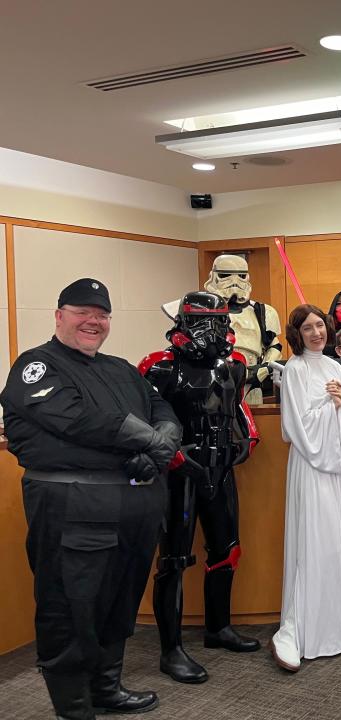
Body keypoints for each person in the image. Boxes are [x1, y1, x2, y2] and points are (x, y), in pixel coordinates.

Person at [0, 278, 181, 719]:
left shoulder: (121, 368)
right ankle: (74, 707)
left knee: (119, 602)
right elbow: (79, 420)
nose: (92, 321)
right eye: (82, 312)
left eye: (101, 315)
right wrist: (148, 447)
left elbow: (162, 410)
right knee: (70, 607)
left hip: (133, 511)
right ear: (59, 315)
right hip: (74, 513)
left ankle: (106, 688)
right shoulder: (36, 366)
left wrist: (162, 443)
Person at [139, 292, 261, 684]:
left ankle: (217, 627)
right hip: (177, 473)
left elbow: (237, 405)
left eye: (222, 322)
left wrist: (250, 436)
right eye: (207, 322)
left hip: (221, 465)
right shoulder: (157, 367)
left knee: (227, 550)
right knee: (173, 560)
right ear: (185, 322)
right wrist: (172, 455)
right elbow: (145, 422)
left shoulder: (235, 363)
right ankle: (170, 650)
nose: (217, 331)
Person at [270, 305, 341, 672]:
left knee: (337, 540)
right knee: (315, 542)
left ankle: (338, 622)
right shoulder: (294, 370)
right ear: (297, 333)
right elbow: (297, 426)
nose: (316, 333)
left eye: (320, 326)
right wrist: (333, 403)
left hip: (337, 466)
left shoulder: (334, 365)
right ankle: (305, 628)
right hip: (312, 467)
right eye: (308, 328)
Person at [203, 254, 282, 404]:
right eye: (225, 275)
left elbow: (275, 346)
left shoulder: (264, 312)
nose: (234, 281)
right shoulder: (201, 311)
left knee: (251, 423)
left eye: (241, 276)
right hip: (212, 381)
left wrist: (262, 369)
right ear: (213, 276)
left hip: (251, 381)